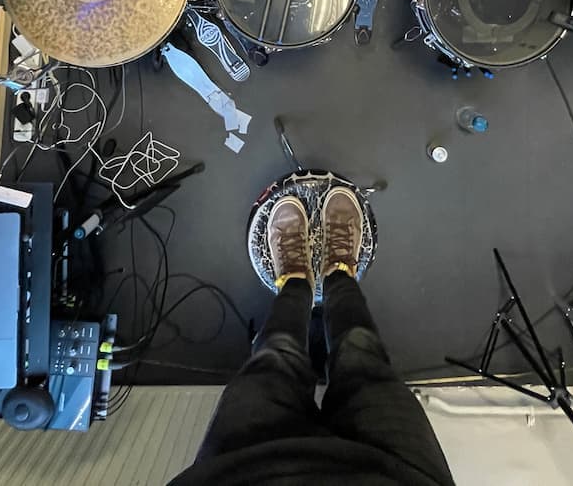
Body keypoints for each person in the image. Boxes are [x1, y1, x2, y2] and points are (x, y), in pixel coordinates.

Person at [170, 187, 455, 485]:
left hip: (243, 471)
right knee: (361, 351)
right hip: (399, 474)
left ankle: (295, 277)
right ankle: (339, 267)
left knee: (274, 357)